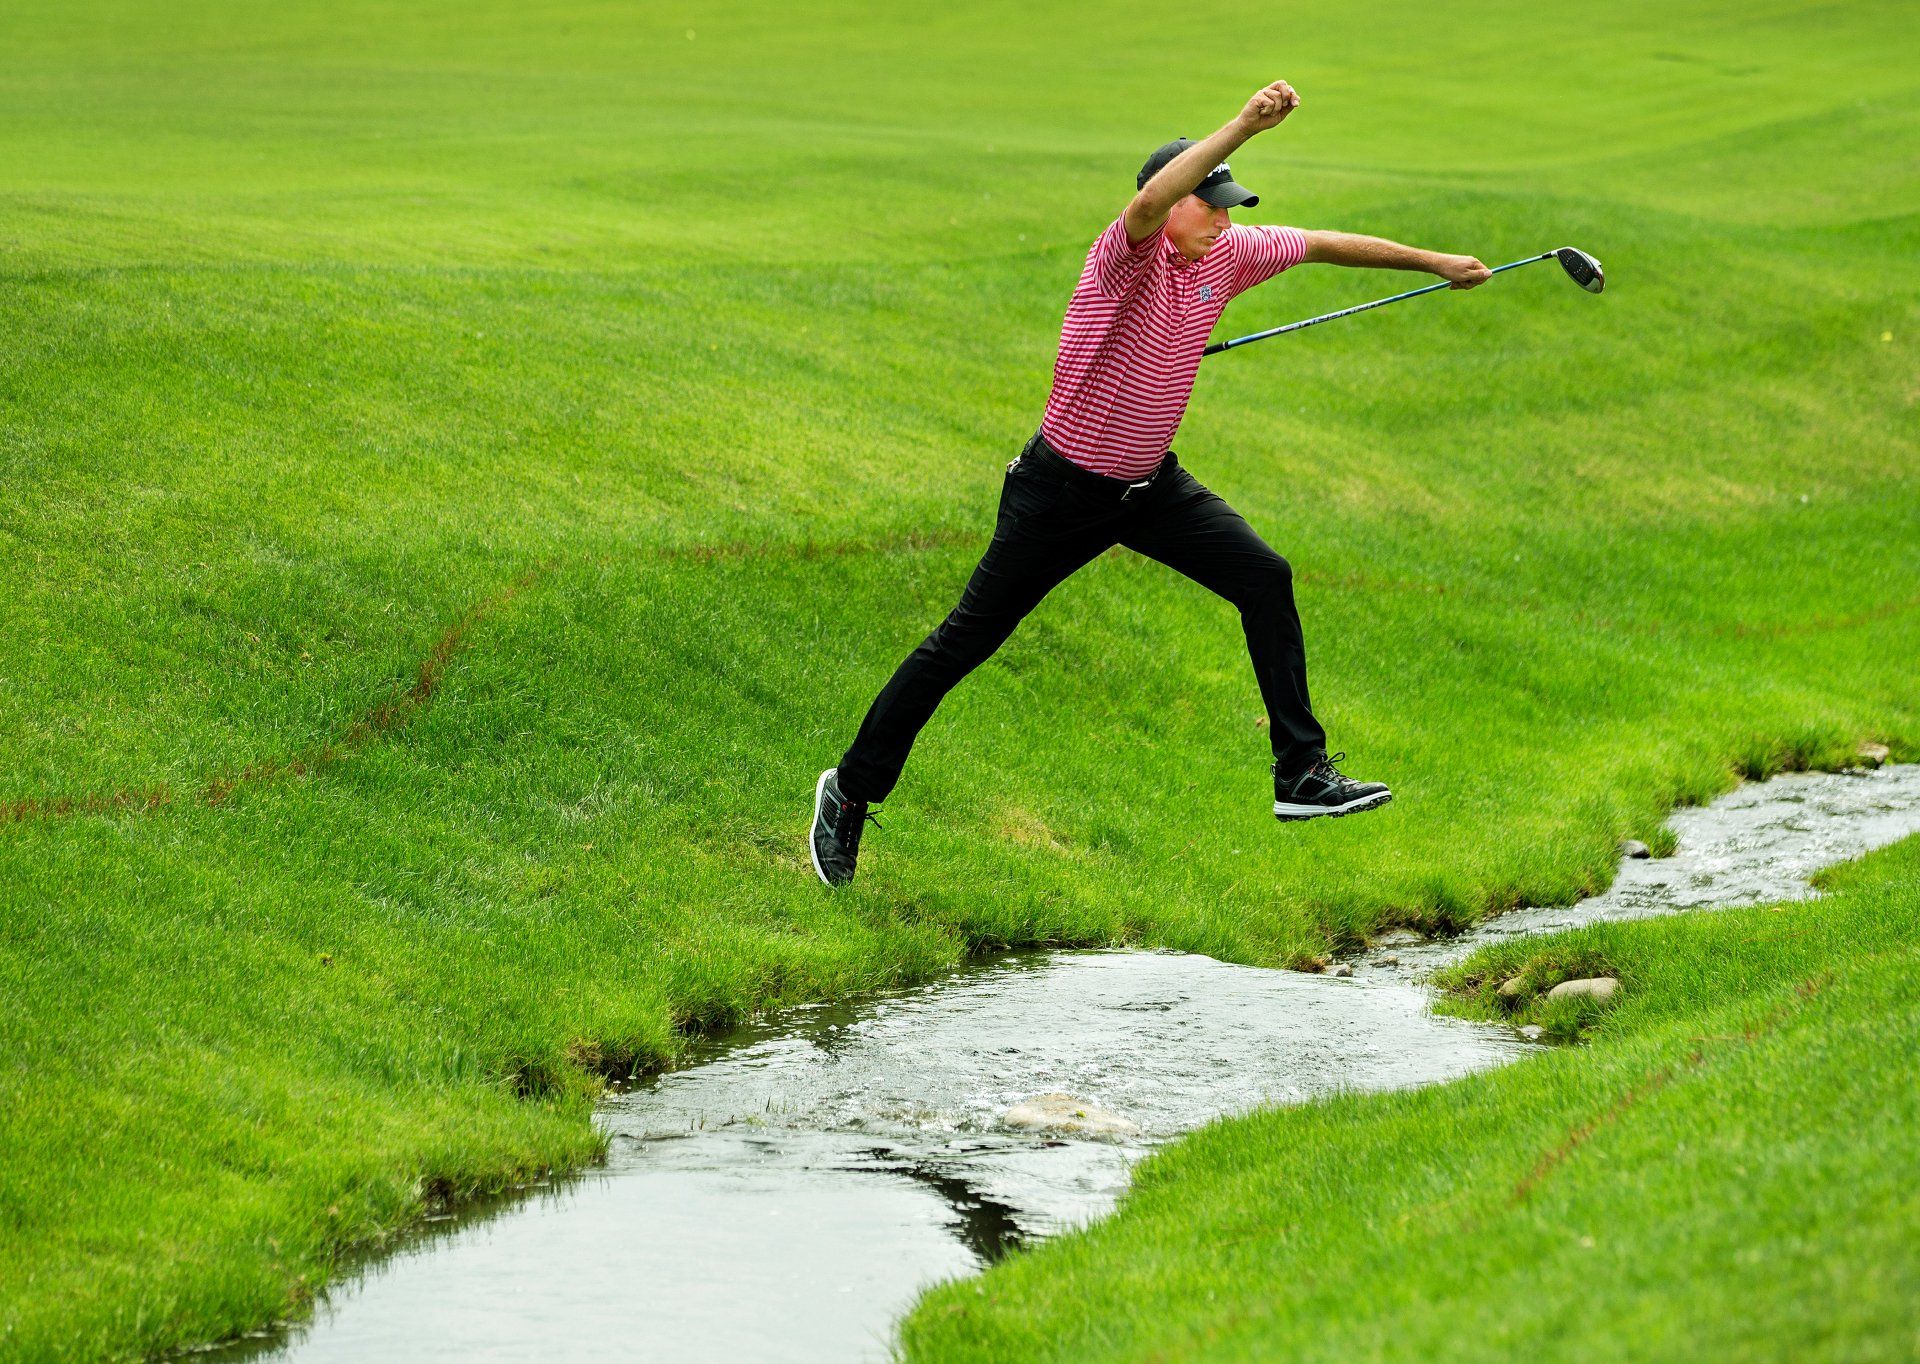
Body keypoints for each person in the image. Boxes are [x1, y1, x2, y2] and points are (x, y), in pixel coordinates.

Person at [810, 80, 1491, 888]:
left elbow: (1321, 242)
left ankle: (1301, 775)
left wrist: (1436, 262)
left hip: (1149, 488)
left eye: (1231, 206)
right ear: (1167, 204)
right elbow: (1154, 202)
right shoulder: (1123, 257)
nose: (1225, 217)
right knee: (967, 640)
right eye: (1211, 203)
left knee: (1265, 577)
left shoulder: (1227, 255)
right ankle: (850, 791)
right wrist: (1244, 124)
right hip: (1058, 492)